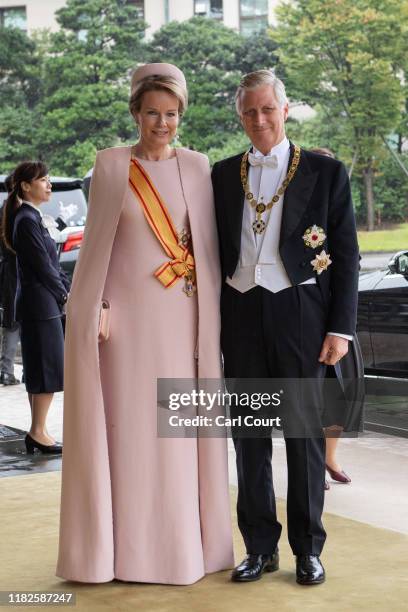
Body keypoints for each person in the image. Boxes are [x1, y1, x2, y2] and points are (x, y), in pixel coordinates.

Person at [56, 63, 234, 585]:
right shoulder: (110, 166)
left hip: (183, 324)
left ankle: (182, 550)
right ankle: (120, 554)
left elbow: (209, 248)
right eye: (153, 113)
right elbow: (96, 253)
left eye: (172, 114)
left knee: (178, 433)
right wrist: (95, 309)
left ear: (182, 115)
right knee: (129, 433)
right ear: (135, 113)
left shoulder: (199, 167)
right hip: (125, 329)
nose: (163, 123)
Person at [212, 70, 359, 586]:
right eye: (249, 112)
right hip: (242, 316)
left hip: (301, 314)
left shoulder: (326, 173)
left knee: (303, 438)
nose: (259, 120)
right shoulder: (221, 174)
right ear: (240, 116)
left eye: (267, 109)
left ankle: (308, 549)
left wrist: (340, 329)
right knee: (249, 439)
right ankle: (258, 547)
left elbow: (346, 256)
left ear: (285, 108)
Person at [1, 161, 71, 453]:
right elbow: (44, 267)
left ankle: (36, 430)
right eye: (43, 180)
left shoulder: (28, 216)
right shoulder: (27, 219)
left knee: (40, 368)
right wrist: (66, 294)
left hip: (39, 303)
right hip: (40, 305)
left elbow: (49, 264)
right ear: (26, 186)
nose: (49, 184)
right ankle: (39, 431)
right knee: (47, 368)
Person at [310, 147, 353, 490]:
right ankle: (312, 459)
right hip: (307, 321)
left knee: (337, 395)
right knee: (310, 398)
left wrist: (341, 328)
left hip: (337, 322)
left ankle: (330, 457)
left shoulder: (340, 214)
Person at [0, 175, 21, 386]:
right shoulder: (17, 210)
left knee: (12, 322)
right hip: (17, 272)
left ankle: (6, 371)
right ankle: (7, 371)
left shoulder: (6, 208)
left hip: (9, 273)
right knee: (15, 322)